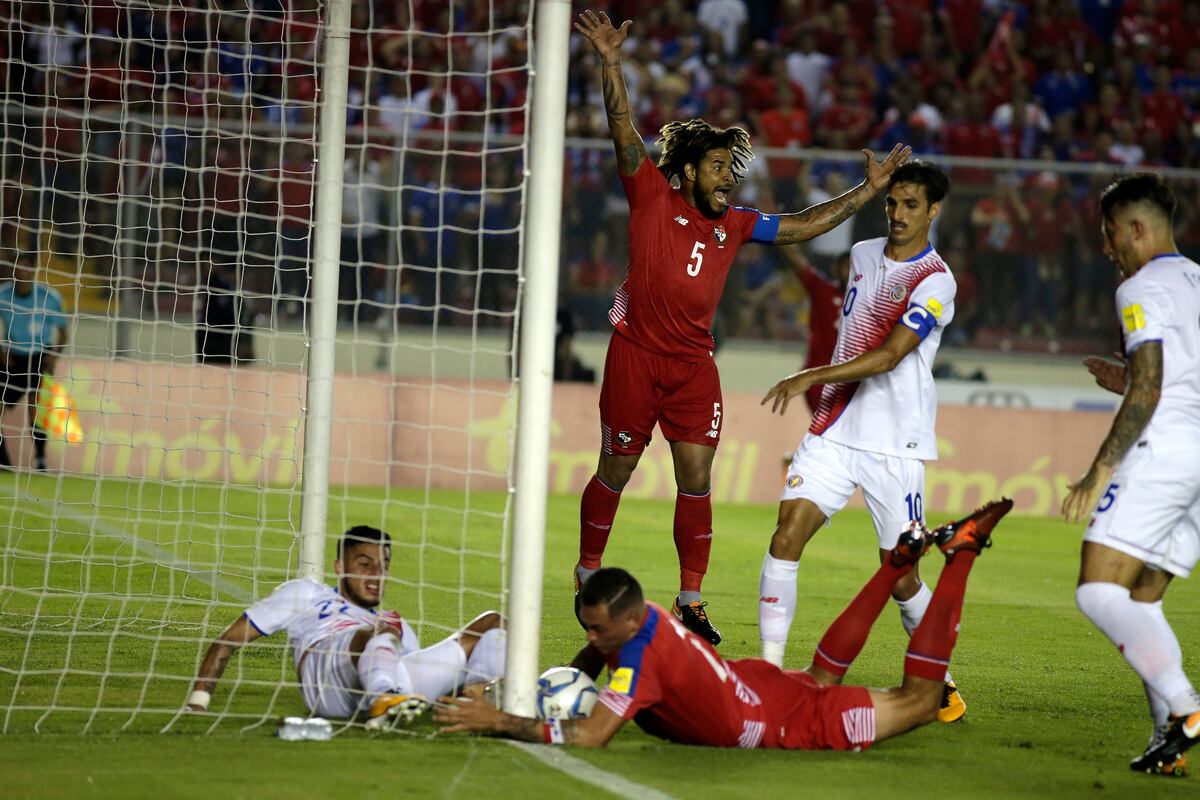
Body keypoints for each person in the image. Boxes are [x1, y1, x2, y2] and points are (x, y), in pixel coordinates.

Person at [571, 10, 911, 645]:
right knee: (615, 470)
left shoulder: (737, 222)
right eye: (720, 167)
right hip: (636, 356)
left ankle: (691, 599)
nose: (731, 176)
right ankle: (588, 571)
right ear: (689, 171)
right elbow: (623, 129)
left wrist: (867, 192)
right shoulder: (650, 194)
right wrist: (610, 63)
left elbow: (804, 224)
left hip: (694, 367)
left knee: (696, 481)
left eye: (733, 167)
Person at [434, 500, 1012, 749]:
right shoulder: (645, 616)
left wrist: (499, 719)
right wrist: (557, 676)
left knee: (920, 700)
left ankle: (961, 553)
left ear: (629, 621)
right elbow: (595, 654)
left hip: (781, 722)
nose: (589, 642)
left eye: (597, 631)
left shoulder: (638, 658)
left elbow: (589, 736)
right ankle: (894, 567)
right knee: (819, 673)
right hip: (757, 685)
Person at [757, 162, 964, 722]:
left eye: (911, 205)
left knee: (900, 576)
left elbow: (893, 354)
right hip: (834, 427)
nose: (898, 214)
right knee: (786, 534)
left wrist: (812, 375)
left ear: (933, 211)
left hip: (895, 442)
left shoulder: (936, 280)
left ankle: (940, 678)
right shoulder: (864, 254)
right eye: (892, 203)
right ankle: (771, 673)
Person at [1063, 173, 1200, 777]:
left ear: (1138, 229)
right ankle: (1165, 741)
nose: (1106, 247)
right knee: (1143, 598)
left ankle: (1187, 708)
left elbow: (1149, 385)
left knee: (1099, 590)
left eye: (1111, 232)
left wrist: (1099, 470)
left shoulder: (1139, 287)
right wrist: (1130, 380)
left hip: (1165, 450)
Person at [183, 526, 507, 729]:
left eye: (383, 567)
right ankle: (383, 700)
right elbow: (228, 640)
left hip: (387, 673)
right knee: (381, 629)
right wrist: (198, 700)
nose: (375, 575)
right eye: (364, 565)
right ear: (339, 567)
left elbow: (415, 680)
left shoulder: (398, 627)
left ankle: (481, 695)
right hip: (328, 683)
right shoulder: (307, 594)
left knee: (494, 621)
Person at [0, 252, 69, 471]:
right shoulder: (3, 295)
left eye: (27, 267)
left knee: (36, 410)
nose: (22, 272)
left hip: (40, 357)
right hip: (13, 358)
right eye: (18, 267)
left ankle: (40, 459)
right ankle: (3, 459)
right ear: (13, 270)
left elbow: (63, 331)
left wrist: (55, 355)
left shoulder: (50, 297)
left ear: (34, 270)